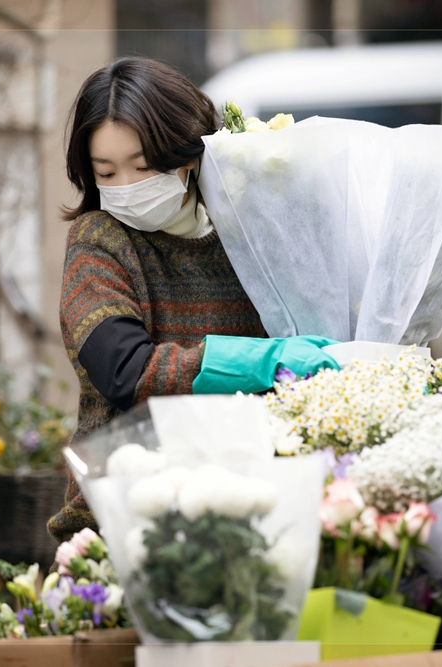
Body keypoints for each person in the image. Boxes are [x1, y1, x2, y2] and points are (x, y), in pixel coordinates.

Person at [47, 57, 337, 542]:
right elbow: (124, 369)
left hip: (259, 496)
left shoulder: (245, 235)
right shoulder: (99, 240)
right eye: (107, 172)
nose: (126, 188)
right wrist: (261, 361)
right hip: (130, 511)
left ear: (189, 156)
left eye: (142, 167)